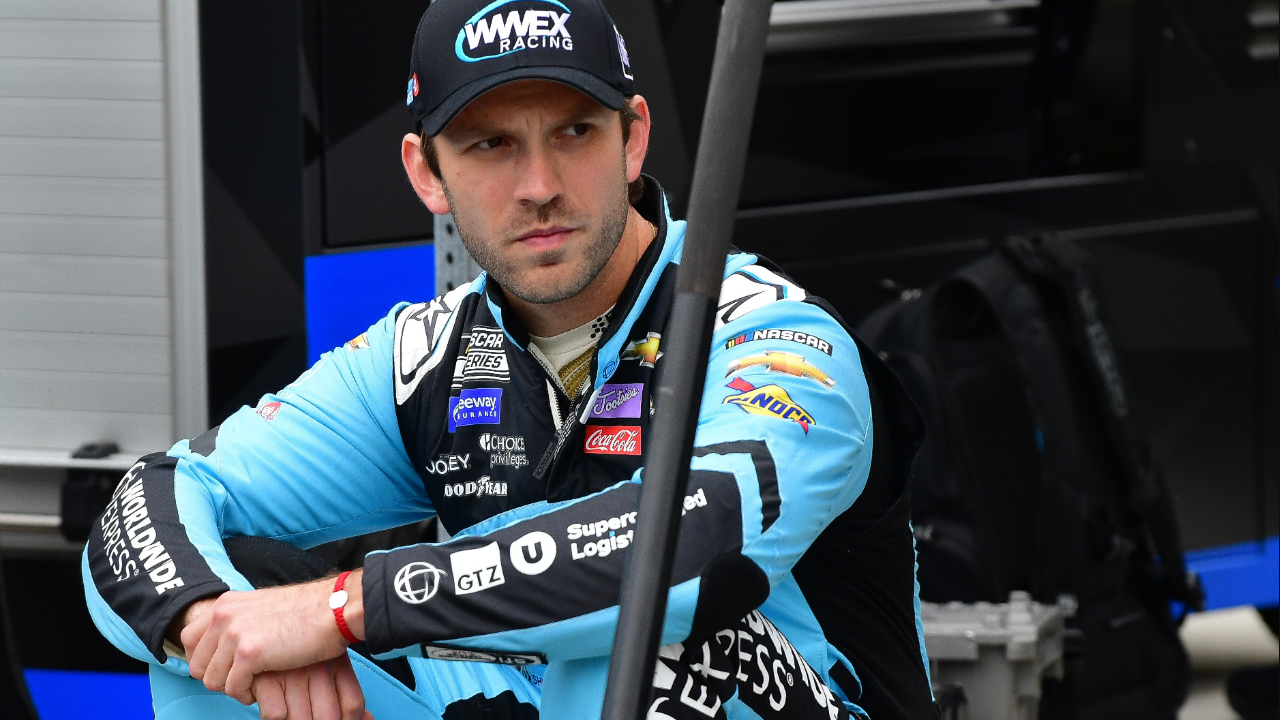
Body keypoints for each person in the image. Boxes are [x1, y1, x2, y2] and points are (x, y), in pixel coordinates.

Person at [83, 0, 936, 717]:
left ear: (633, 140)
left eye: (573, 132)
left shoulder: (777, 336)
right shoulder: (421, 355)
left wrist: (345, 608)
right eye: (491, 145)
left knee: (648, 626)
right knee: (217, 641)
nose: (539, 185)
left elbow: (689, 551)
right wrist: (213, 621)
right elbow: (155, 500)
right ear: (427, 172)